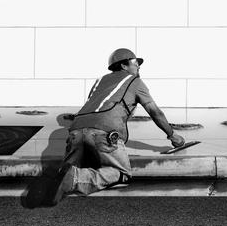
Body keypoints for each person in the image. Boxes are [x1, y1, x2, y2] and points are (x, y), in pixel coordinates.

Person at [48, 48, 185, 205]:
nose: (138, 67)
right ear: (124, 66)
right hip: (104, 133)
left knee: (76, 166)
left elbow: (92, 107)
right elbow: (155, 112)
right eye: (135, 63)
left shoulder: (99, 81)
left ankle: (61, 177)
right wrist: (172, 135)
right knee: (121, 173)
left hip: (76, 131)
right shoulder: (135, 81)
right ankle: (75, 179)